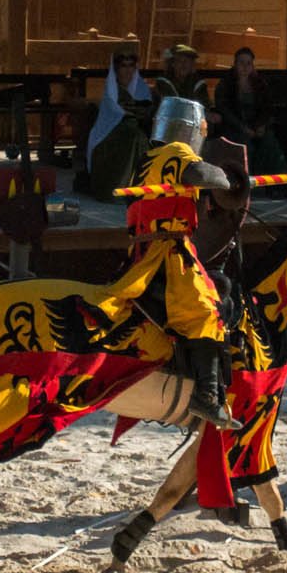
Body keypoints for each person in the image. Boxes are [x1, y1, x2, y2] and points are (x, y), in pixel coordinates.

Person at [107, 96, 240, 431]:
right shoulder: (175, 153)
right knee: (203, 311)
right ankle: (207, 396)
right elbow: (204, 174)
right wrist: (231, 179)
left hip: (145, 252)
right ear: (191, 130)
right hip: (165, 254)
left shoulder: (147, 158)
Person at [86, 48, 171, 202]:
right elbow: (113, 116)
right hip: (109, 139)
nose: (127, 70)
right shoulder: (112, 92)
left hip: (138, 133)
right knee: (133, 134)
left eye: (131, 65)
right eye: (123, 66)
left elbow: (151, 113)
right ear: (117, 69)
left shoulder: (144, 90)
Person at [211, 46, 287, 176]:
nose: (245, 67)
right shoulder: (225, 84)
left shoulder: (259, 84)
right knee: (245, 145)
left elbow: (267, 108)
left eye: (248, 63)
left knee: (270, 141)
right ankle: (246, 183)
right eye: (241, 63)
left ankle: (279, 183)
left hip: (255, 127)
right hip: (233, 128)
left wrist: (261, 125)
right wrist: (243, 128)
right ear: (235, 64)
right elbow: (224, 110)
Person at [153, 43, 211, 108]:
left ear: (192, 65)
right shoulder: (163, 82)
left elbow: (204, 105)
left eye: (187, 61)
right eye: (179, 60)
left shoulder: (198, 83)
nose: (183, 64)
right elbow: (172, 106)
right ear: (172, 64)